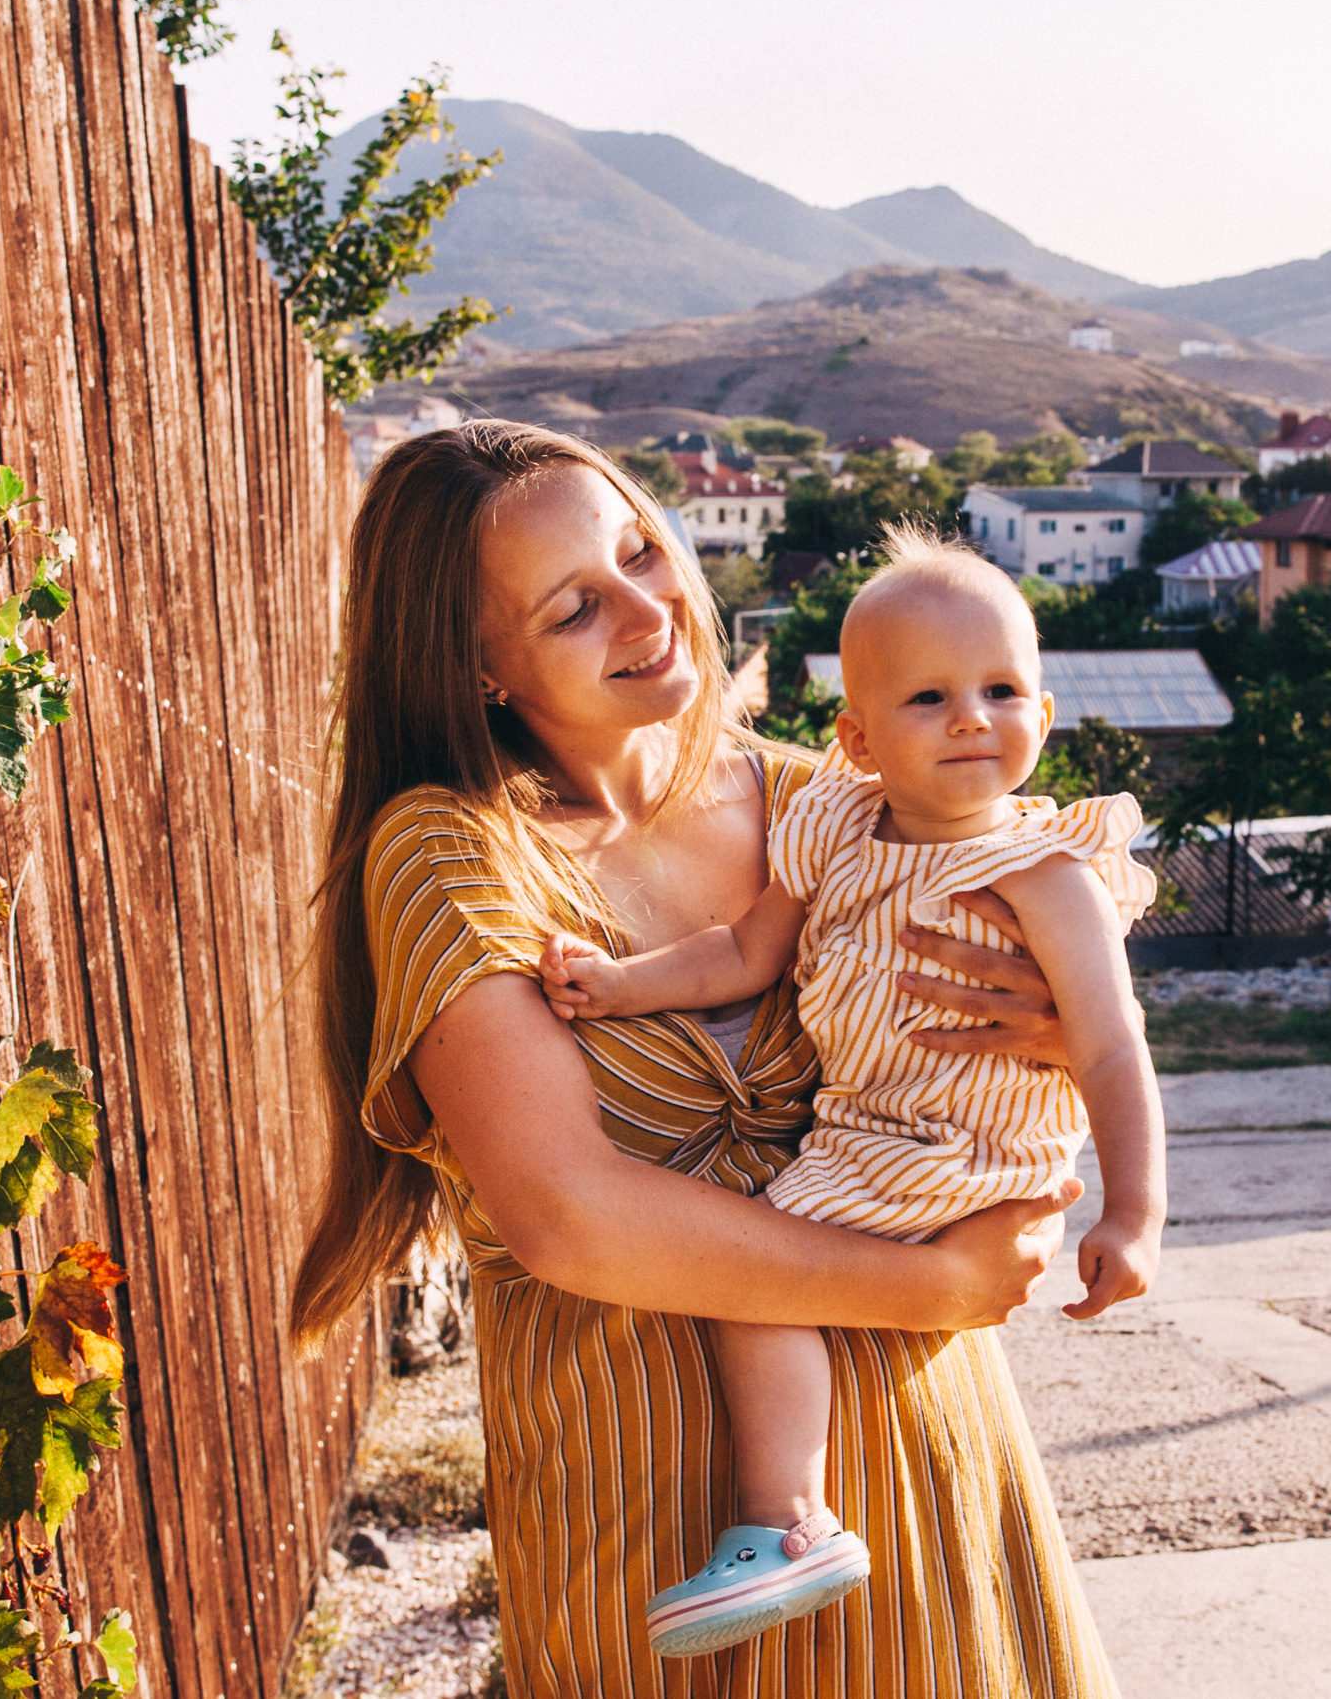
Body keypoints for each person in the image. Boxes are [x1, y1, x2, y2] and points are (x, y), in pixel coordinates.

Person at [290, 420, 1124, 1696]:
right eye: (576, 605)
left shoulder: (831, 805)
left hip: (931, 1467)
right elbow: (570, 1214)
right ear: (474, 668)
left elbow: (1070, 993)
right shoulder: (454, 852)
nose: (648, 606)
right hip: (661, 1527)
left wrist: (1065, 1036)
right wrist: (936, 1287)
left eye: (639, 550)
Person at [537, 529, 1166, 1656]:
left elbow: (1112, 1045)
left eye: (1001, 689)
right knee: (770, 1258)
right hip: (868, 1131)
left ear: (1045, 710)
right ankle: (799, 1514)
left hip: (967, 1145)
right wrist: (621, 983)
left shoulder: (1047, 871)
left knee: (757, 1271)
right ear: (857, 736)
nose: (972, 716)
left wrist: (1133, 1209)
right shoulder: (832, 824)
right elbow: (742, 952)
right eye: (929, 696)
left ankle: (787, 1521)